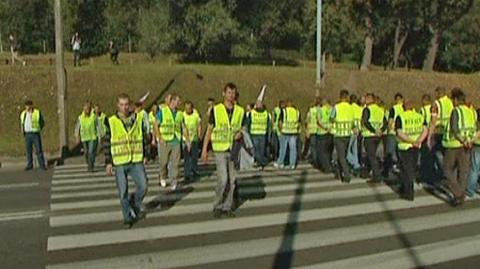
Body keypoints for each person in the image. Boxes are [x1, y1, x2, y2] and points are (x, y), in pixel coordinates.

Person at [104, 93, 149, 228]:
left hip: (136, 159)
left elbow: (143, 137)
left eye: (126, 105)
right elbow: (106, 142)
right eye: (121, 105)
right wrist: (108, 162)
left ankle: (134, 202)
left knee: (144, 186)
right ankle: (127, 217)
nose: (124, 107)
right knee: (122, 191)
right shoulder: (111, 121)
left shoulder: (137, 118)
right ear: (118, 106)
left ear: (130, 105)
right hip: (119, 161)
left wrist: (146, 154)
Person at [201, 83, 245, 218]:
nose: (231, 95)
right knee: (223, 178)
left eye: (233, 93)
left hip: (233, 149)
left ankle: (227, 206)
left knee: (232, 180)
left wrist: (241, 133)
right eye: (229, 93)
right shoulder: (216, 110)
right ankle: (217, 205)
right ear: (223, 93)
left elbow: (244, 128)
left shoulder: (240, 111)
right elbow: (209, 130)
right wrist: (204, 149)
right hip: (219, 148)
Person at [442, 89, 476, 206]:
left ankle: (457, 193)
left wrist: (462, 140)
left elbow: (455, 130)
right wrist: (470, 141)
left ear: (456, 100)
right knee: (463, 171)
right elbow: (474, 128)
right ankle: (461, 194)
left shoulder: (456, 111)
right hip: (467, 145)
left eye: (452, 100)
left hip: (454, 145)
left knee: (447, 170)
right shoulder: (471, 111)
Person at [395, 99, 428, 201]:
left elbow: (399, 133)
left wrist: (410, 141)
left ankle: (408, 193)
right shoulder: (420, 116)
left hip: (405, 147)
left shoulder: (400, 117)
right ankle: (404, 187)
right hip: (416, 146)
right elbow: (425, 130)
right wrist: (418, 141)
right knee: (411, 169)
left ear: (404, 107)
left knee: (406, 170)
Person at [154, 94, 187, 191]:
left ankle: (174, 181)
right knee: (163, 162)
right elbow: (156, 125)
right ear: (172, 101)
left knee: (175, 163)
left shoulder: (180, 114)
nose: (179, 103)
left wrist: (187, 139)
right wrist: (159, 137)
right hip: (165, 140)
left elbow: (183, 127)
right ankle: (162, 176)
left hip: (176, 140)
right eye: (177, 101)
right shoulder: (162, 112)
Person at [427, 86, 454, 187]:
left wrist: (429, 136)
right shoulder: (450, 102)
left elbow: (433, 121)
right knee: (447, 154)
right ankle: (449, 174)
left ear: (438, 93)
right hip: (449, 131)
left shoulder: (436, 104)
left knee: (436, 153)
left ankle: (443, 174)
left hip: (439, 131)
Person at [361, 93, 387, 183]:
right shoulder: (380, 109)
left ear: (369, 99)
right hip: (378, 136)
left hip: (369, 136)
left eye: (366, 98)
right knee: (372, 155)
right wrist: (381, 130)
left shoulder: (367, 109)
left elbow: (366, 122)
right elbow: (385, 122)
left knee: (371, 156)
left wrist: (374, 130)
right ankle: (368, 171)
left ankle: (377, 176)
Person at [330, 90, 355, 183]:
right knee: (343, 155)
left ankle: (347, 175)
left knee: (341, 157)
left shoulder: (336, 107)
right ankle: (339, 173)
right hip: (348, 134)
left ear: (340, 97)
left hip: (339, 135)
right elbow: (352, 120)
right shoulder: (351, 108)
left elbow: (331, 118)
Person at [75, 101, 101, 172]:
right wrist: (77, 136)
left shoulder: (94, 117)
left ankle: (91, 166)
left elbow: (98, 126)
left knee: (91, 152)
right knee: (86, 152)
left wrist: (99, 137)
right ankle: (89, 162)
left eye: (88, 109)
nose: (86, 110)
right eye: (85, 108)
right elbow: (77, 127)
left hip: (93, 137)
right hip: (84, 138)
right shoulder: (80, 117)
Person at [20, 100, 47, 171]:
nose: (27, 107)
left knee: (38, 150)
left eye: (28, 105)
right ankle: (30, 164)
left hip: (35, 134)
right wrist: (22, 130)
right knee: (28, 150)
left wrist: (39, 129)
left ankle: (42, 165)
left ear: (31, 105)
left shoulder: (36, 112)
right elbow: (22, 123)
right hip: (27, 134)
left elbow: (42, 122)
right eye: (26, 105)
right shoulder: (23, 114)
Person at [274, 99, 301, 170]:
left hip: (285, 132)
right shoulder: (297, 112)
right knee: (293, 149)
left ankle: (280, 163)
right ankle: (292, 164)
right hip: (294, 132)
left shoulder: (284, 111)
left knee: (283, 148)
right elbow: (299, 123)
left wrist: (280, 129)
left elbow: (280, 122)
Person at [384, 93, 404, 178]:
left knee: (389, 153)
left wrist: (389, 130)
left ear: (396, 100)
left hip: (393, 133)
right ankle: (402, 170)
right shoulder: (405, 108)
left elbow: (390, 121)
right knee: (400, 154)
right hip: (402, 134)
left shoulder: (394, 108)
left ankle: (386, 171)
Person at [249, 94, 270, 170]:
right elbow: (248, 122)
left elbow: (268, 124)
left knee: (261, 150)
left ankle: (260, 163)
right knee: (256, 150)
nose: (258, 105)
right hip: (254, 133)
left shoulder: (266, 113)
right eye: (257, 104)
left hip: (262, 134)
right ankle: (259, 162)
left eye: (259, 104)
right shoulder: (252, 113)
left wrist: (268, 134)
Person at [183, 101, 202, 180]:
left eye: (189, 108)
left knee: (194, 156)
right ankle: (187, 173)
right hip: (185, 139)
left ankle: (194, 169)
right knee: (186, 157)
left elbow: (199, 125)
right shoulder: (182, 115)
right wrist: (186, 140)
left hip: (194, 138)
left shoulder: (195, 115)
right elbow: (183, 128)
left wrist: (200, 134)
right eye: (186, 108)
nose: (188, 110)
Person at [317, 97, 334, 173]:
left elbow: (319, 121)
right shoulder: (333, 109)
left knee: (322, 151)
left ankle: (326, 167)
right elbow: (334, 120)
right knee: (329, 150)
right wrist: (329, 128)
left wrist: (325, 127)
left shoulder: (320, 109)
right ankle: (329, 164)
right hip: (331, 132)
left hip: (322, 132)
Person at [467, 108, 480, 199]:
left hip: (477, 147)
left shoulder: (476, 125)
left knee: (474, 169)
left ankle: (470, 190)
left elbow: (476, 134)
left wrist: (470, 142)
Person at [306, 98, 321, 168]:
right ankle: (320, 160)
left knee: (313, 147)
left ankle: (315, 162)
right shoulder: (322, 110)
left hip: (312, 130)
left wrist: (307, 130)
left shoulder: (311, 110)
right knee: (319, 147)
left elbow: (307, 121)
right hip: (321, 131)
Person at [271, 100, 285, 165]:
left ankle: (277, 156)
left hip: (280, 129)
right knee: (276, 145)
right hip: (276, 129)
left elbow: (273, 119)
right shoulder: (276, 110)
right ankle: (276, 156)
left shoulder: (283, 110)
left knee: (279, 145)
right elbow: (273, 118)